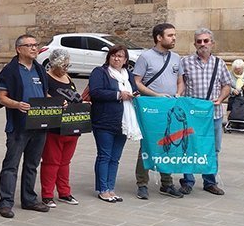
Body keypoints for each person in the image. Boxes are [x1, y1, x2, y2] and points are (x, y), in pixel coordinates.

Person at [0, 34, 51, 218]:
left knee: (32, 164)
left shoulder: (40, 69)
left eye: (36, 45)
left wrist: (58, 103)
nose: (34, 48)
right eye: (30, 45)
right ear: (19, 49)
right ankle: (5, 202)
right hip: (18, 126)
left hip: (39, 123)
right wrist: (17, 104)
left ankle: (29, 199)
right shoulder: (9, 71)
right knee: (11, 165)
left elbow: (45, 94)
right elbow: (2, 98)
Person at [132, 23, 185, 200]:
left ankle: (167, 183)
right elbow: (137, 82)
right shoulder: (145, 57)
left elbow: (180, 81)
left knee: (169, 143)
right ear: (159, 37)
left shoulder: (177, 58)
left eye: (174, 35)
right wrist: (156, 95)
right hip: (151, 108)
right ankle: (142, 183)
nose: (174, 38)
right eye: (170, 35)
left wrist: (178, 94)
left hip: (170, 108)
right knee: (147, 145)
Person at [179, 29, 231, 196]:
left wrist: (220, 99)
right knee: (189, 147)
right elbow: (181, 84)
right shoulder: (185, 62)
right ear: (194, 43)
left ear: (212, 43)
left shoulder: (219, 63)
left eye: (206, 41)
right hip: (191, 114)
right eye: (199, 41)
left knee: (212, 148)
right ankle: (187, 181)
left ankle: (210, 181)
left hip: (213, 113)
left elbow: (227, 85)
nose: (202, 44)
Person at [88, 45, 141, 202]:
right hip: (104, 121)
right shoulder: (100, 72)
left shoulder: (128, 74)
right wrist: (118, 94)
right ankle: (103, 189)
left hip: (124, 121)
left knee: (115, 157)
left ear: (125, 60)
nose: (117, 59)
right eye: (114, 55)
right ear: (109, 57)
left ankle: (111, 188)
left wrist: (135, 94)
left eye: (120, 56)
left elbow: (135, 89)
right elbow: (95, 92)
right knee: (104, 155)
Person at [39, 48, 81, 207]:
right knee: (51, 162)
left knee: (65, 162)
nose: (65, 68)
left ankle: (64, 192)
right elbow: (41, 96)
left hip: (72, 125)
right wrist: (56, 102)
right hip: (55, 127)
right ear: (54, 64)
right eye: (63, 65)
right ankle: (47, 194)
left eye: (67, 65)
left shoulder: (67, 77)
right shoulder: (46, 78)